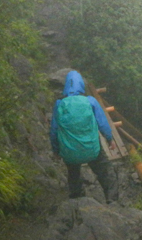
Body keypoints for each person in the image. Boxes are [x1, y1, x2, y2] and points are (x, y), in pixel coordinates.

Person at [50, 70, 118, 203]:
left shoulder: (59, 104)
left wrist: (56, 151)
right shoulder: (90, 101)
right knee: (106, 172)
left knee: (73, 172)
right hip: (92, 150)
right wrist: (109, 139)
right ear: (81, 85)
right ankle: (112, 200)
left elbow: (54, 131)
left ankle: (76, 198)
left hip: (70, 152)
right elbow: (102, 123)